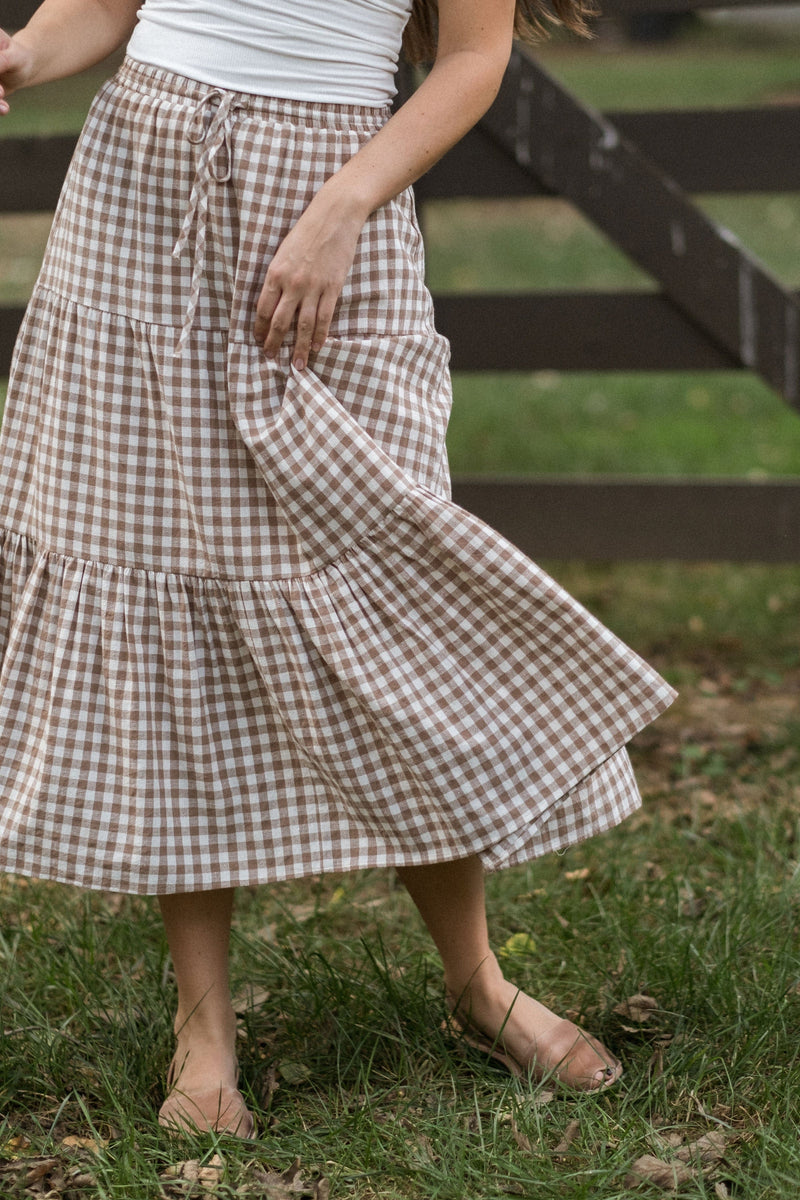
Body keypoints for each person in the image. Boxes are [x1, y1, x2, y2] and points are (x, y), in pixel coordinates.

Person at [0, 0, 675, 1138]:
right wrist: (22, 51)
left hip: (330, 204)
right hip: (138, 199)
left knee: (391, 595)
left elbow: (472, 59)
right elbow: (109, 9)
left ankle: (475, 983)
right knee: (164, 589)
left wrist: (342, 205)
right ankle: (202, 1028)